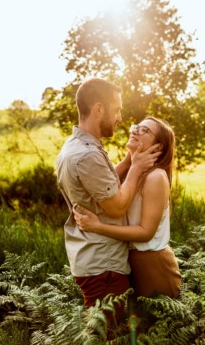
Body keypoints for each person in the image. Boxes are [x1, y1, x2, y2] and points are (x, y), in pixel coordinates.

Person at [56, 79, 161, 311]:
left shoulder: (75, 147)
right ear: (99, 109)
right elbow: (116, 207)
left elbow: (102, 183)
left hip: (93, 259)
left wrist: (129, 160)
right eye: (117, 110)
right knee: (108, 335)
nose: (120, 118)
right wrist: (136, 168)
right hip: (103, 264)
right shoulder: (88, 156)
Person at [74, 117, 181, 299]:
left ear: (158, 147)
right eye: (136, 127)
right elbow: (103, 188)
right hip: (134, 263)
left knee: (160, 325)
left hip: (153, 265)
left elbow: (145, 232)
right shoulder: (135, 173)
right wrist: (131, 161)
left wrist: (97, 227)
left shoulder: (155, 177)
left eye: (145, 130)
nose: (135, 131)